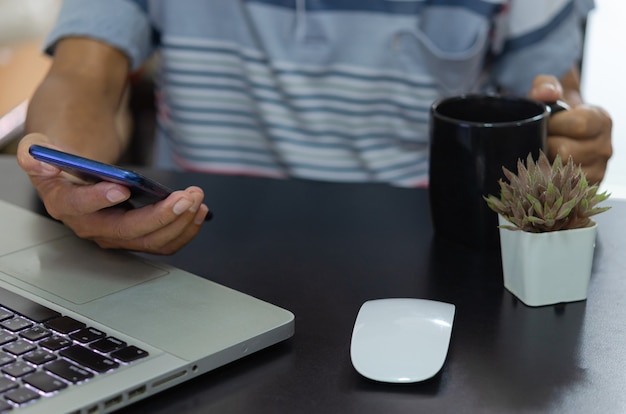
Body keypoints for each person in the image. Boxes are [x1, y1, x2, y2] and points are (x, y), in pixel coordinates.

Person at [17, 0, 612, 254]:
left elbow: (555, 96)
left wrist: (574, 138)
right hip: (187, 257)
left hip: (431, 267)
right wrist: (70, 180)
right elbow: (81, 78)